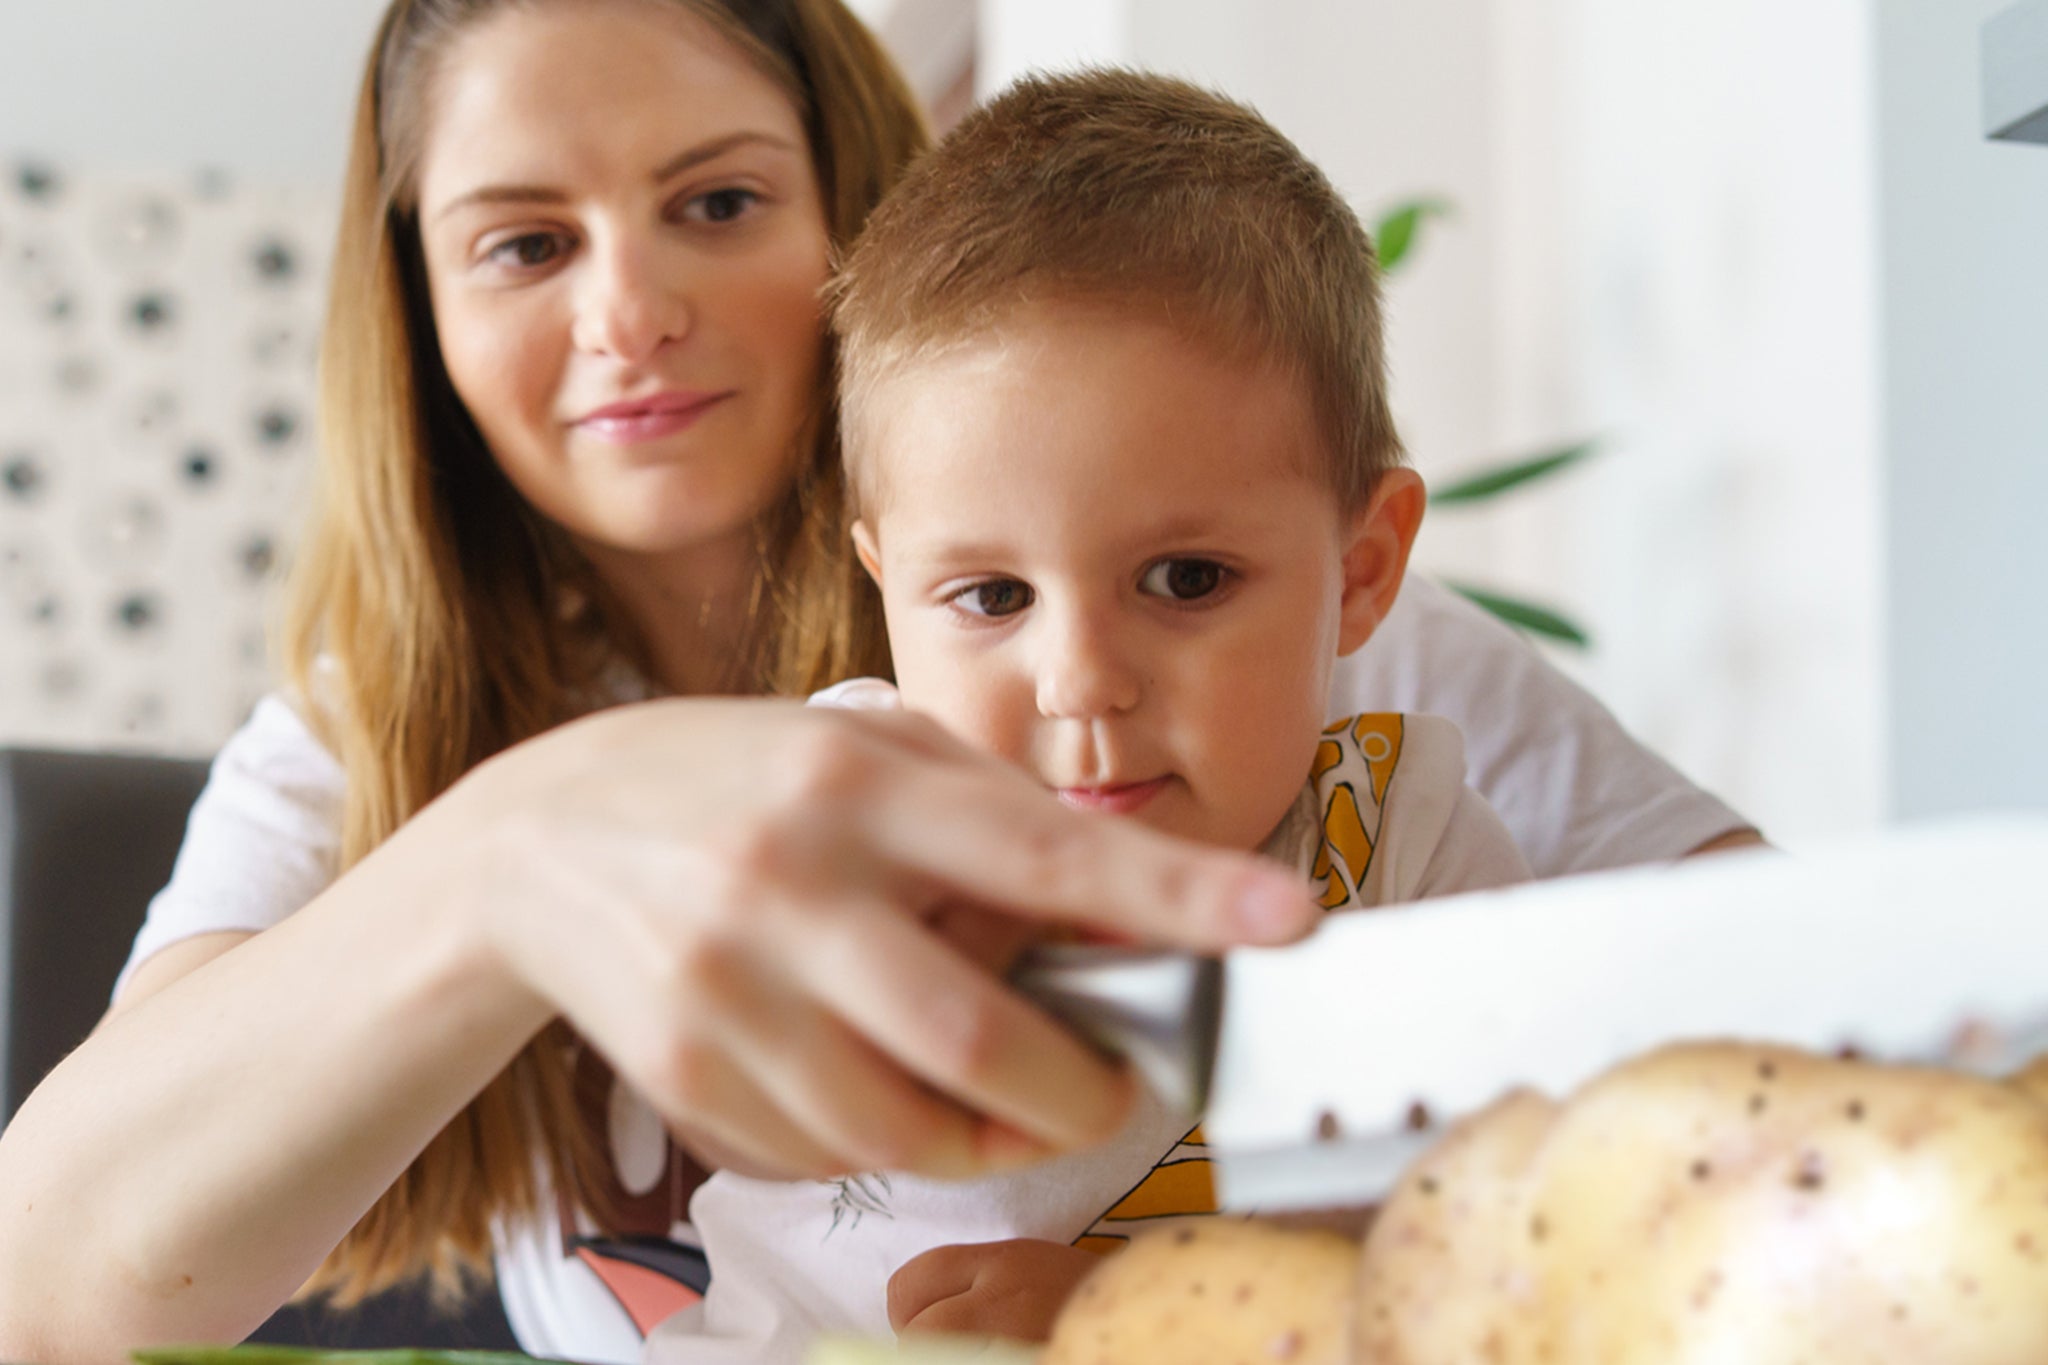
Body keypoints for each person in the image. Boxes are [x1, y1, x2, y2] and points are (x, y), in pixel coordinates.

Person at [0, 1, 1752, 1362]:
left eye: (718, 200)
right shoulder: (367, 725)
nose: (629, 311)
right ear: (426, 313)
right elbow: (49, 1285)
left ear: (849, 211)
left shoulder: (1268, 645)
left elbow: (1771, 1055)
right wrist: (510, 851)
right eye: (525, 242)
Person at [649, 66, 1538, 1360]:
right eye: (992, 593)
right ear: (886, 581)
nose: (1080, 680)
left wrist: (1145, 1320)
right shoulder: (839, 806)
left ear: (1360, 569)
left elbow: (1519, 1254)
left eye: (1186, 580)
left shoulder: (1413, 858)